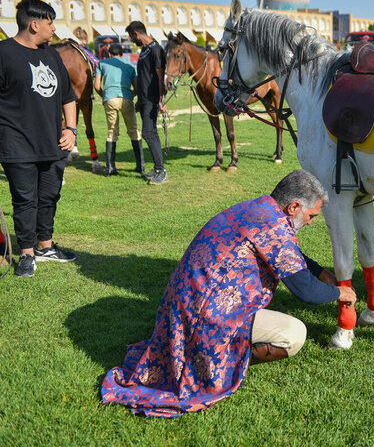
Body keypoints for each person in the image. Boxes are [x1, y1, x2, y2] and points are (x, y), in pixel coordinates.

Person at [102, 170, 356, 417]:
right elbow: (306, 291)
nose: (311, 222)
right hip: (208, 317)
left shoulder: (258, 208)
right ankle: (220, 369)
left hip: (183, 308)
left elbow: (291, 254)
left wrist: (323, 273)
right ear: (294, 207)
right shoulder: (274, 227)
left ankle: (208, 355)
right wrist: (339, 293)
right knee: (294, 334)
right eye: (311, 215)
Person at [0, 0, 78, 278]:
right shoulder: (4, 53)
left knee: (49, 196)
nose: (54, 28)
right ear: (34, 24)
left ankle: (45, 246)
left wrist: (71, 130)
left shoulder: (52, 55)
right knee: (24, 200)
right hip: (16, 144)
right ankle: (26, 253)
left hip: (53, 143)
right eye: (50, 22)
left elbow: (68, 96)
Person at [125, 21, 167, 185]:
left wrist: (160, 100)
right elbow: (144, 76)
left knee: (148, 133)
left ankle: (162, 171)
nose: (131, 40)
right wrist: (139, 101)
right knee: (151, 133)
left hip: (152, 99)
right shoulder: (144, 50)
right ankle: (157, 168)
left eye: (131, 37)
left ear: (136, 33)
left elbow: (159, 76)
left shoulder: (156, 49)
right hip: (144, 99)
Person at [94, 43, 144, 177]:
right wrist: (129, 95)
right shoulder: (129, 66)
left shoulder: (102, 64)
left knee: (112, 132)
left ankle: (110, 167)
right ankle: (140, 166)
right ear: (122, 55)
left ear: (109, 54)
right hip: (126, 98)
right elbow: (137, 88)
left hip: (109, 99)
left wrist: (105, 96)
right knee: (134, 131)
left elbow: (97, 86)